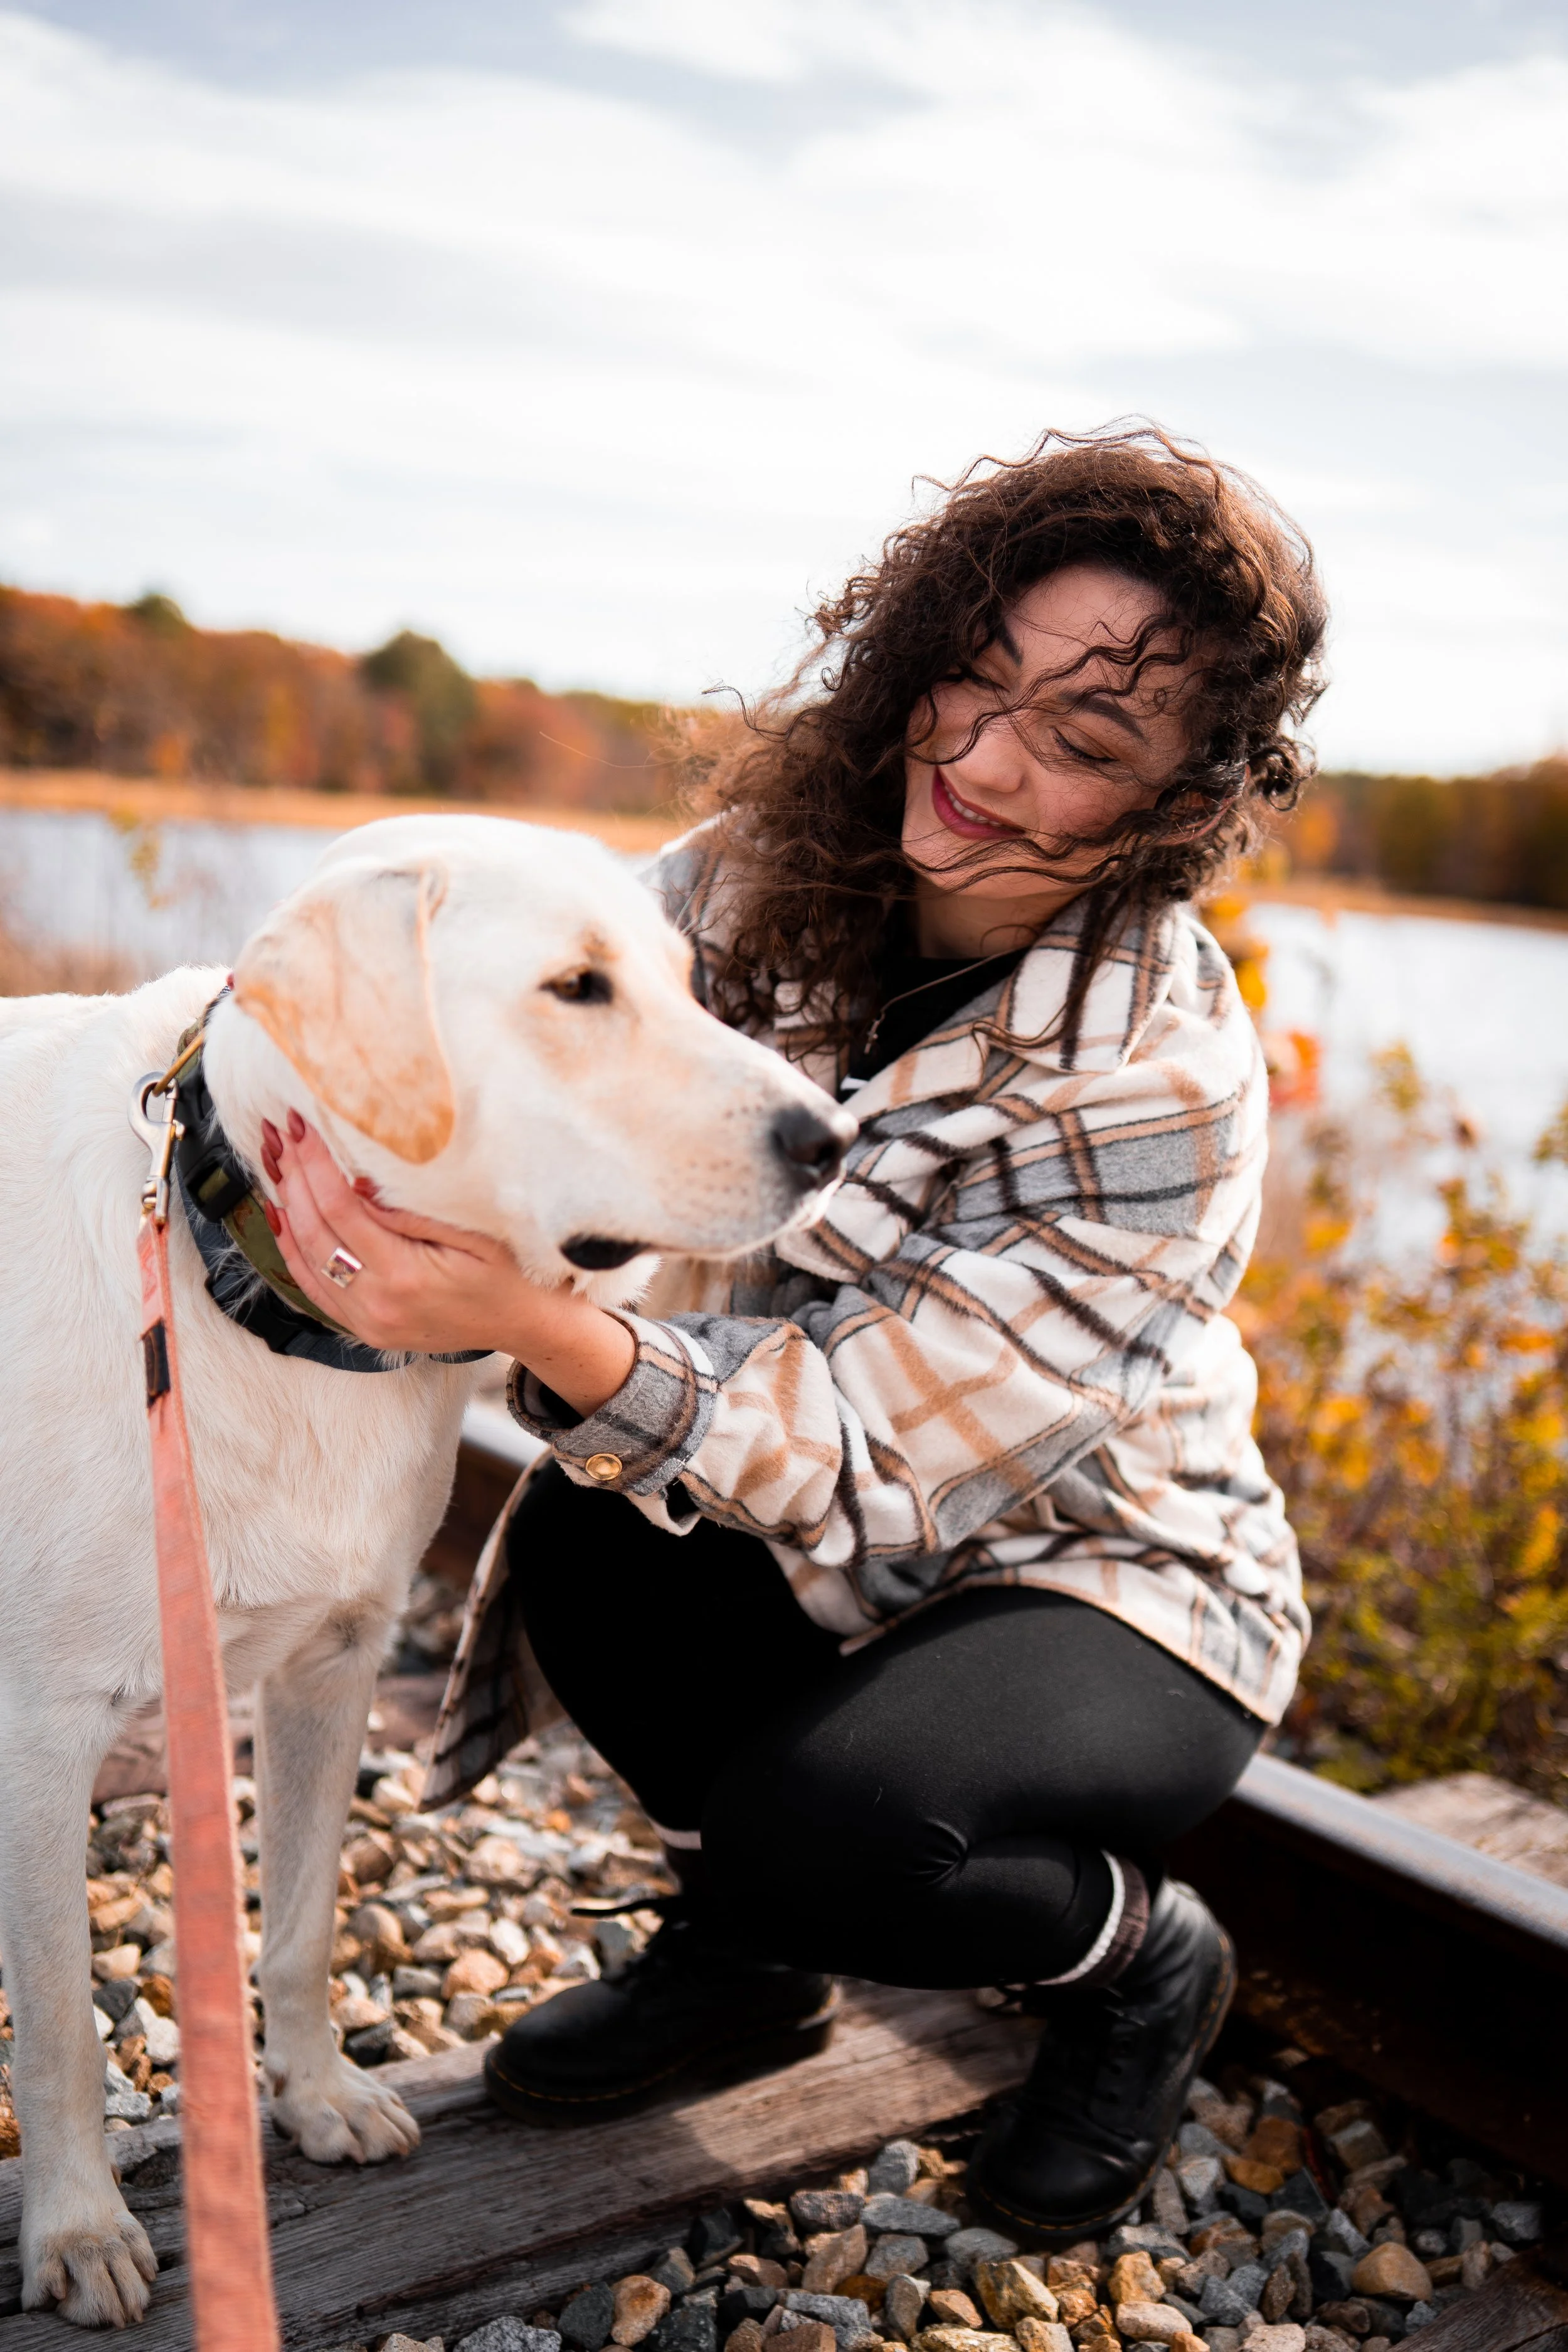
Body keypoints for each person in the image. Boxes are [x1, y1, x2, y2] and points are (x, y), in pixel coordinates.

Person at [267, 425, 1325, 2243]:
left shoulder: (1163, 1074)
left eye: (1077, 744)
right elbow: (520, 1041)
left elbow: (874, 1465)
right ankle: (751, 1963)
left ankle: (1137, 1959)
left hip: (1106, 1582)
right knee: (591, 1540)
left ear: (1172, 804)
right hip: (824, 1521)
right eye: (972, 682)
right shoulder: (759, 873)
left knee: (832, 1825)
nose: (981, 765)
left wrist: (536, 1317)